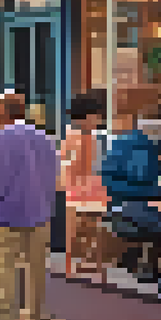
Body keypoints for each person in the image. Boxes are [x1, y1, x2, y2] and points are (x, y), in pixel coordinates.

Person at [0, 90, 60, 320]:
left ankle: (6, 314)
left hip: (9, 208)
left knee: (6, 262)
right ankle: (36, 315)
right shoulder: (44, 137)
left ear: (3, 111)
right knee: (36, 265)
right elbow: (54, 175)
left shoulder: (1, 137)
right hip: (39, 208)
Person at [101, 107, 161, 285]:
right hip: (128, 205)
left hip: (135, 203)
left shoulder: (158, 148)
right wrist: (154, 192)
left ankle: (149, 265)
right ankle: (150, 266)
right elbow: (110, 183)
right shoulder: (128, 146)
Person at [60, 96, 109, 278]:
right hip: (78, 186)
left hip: (92, 185)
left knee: (94, 226)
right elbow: (70, 163)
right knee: (76, 226)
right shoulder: (73, 135)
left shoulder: (97, 137)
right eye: (96, 117)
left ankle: (91, 261)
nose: (98, 121)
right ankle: (73, 261)